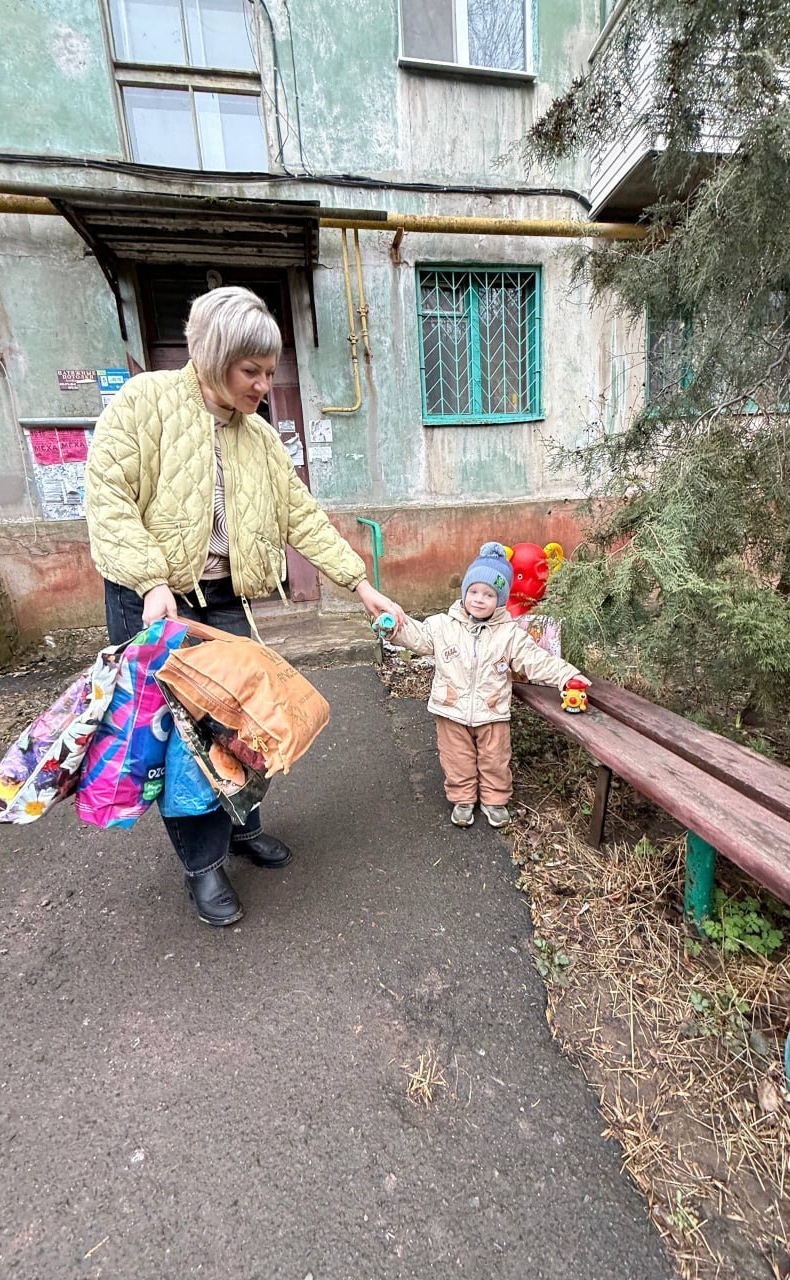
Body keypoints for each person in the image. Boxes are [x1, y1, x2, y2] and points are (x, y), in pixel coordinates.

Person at [85, 286, 405, 927]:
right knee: (185, 744)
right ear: (212, 358)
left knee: (244, 727)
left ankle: (240, 826)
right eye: (251, 371)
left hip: (224, 598)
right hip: (152, 599)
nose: (265, 383)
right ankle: (203, 868)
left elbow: (301, 518)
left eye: (270, 371)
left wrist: (362, 585)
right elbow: (109, 502)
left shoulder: (258, 437)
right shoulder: (144, 404)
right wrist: (152, 584)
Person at [384, 542, 589, 828]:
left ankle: (495, 800)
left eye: (489, 594)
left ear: (501, 599)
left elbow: (535, 660)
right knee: (456, 758)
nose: (480, 599)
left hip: (492, 710)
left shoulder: (509, 634)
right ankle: (463, 798)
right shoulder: (443, 625)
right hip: (451, 708)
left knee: (495, 759)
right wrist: (393, 627)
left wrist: (567, 676)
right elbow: (417, 637)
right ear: (465, 592)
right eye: (474, 591)